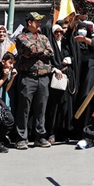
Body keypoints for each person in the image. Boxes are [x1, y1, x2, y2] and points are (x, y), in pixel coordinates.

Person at [13, 11, 55, 150]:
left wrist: (38, 51)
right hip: (27, 77)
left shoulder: (43, 37)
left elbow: (51, 52)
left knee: (41, 108)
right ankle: (21, 138)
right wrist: (41, 51)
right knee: (24, 108)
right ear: (29, 22)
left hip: (43, 77)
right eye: (36, 21)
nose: (39, 24)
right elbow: (29, 49)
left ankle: (40, 136)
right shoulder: (21, 37)